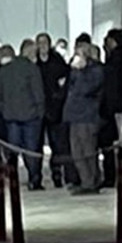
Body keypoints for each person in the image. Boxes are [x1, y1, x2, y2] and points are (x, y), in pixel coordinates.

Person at [0, 39, 47, 190]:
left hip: (11, 117)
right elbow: (39, 95)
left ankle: (12, 177)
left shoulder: (5, 70)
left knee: (12, 150)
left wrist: (6, 111)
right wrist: (40, 113)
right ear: (30, 52)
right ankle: (34, 180)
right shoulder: (32, 69)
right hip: (31, 117)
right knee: (31, 150)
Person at [62, 43, 104, 194]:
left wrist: (80, 71)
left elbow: (85, 89)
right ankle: (85, 179)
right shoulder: (76, 71)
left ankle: (91, 182)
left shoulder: (96, 70)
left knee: (87, 150)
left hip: (87, 116)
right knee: (77, 152)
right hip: (74, 115)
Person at [36, 32, 74, 188]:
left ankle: (57, 174)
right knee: (36, 145)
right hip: (38, 109)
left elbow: (66, 78)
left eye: (45, 42)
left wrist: (58, 96)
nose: (42, 46)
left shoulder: (57, 60)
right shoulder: (34, 61)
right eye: (40, 43)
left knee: (57, 144)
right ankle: (36, 177)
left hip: (55, 108)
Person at [98, 29, 122, 188]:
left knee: (112, 143)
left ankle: (111, 176)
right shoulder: (119, 58)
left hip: (113, 108)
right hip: (115, 106)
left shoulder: (114, 60)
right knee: (116, 142)